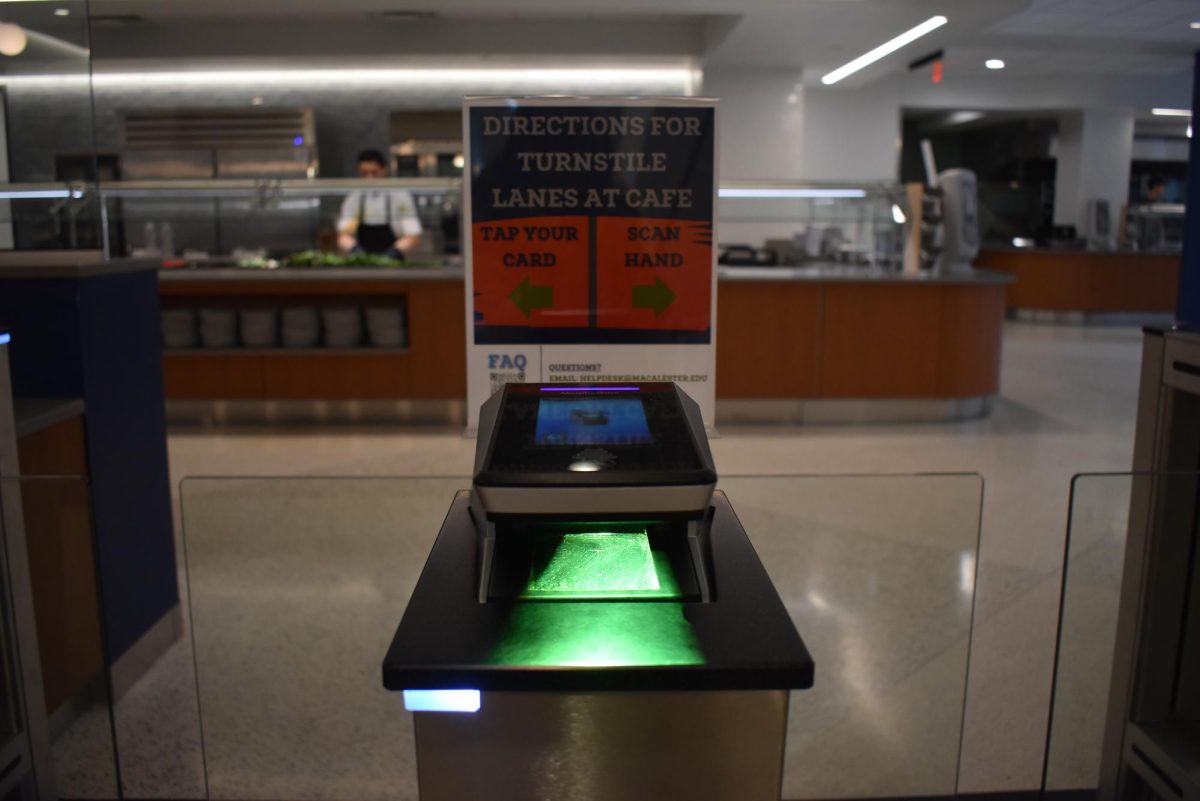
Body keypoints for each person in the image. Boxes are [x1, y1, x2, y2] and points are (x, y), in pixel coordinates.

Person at [337, 149, 422, 257]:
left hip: (394, 262)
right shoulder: (354, 198)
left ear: (384, 170)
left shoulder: (400, 196)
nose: (369, 178)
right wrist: (355, 250)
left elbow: (412, 235)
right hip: (362, 262)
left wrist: (394, 252)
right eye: (364, 174)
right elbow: (344, 235)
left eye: (374, 172)